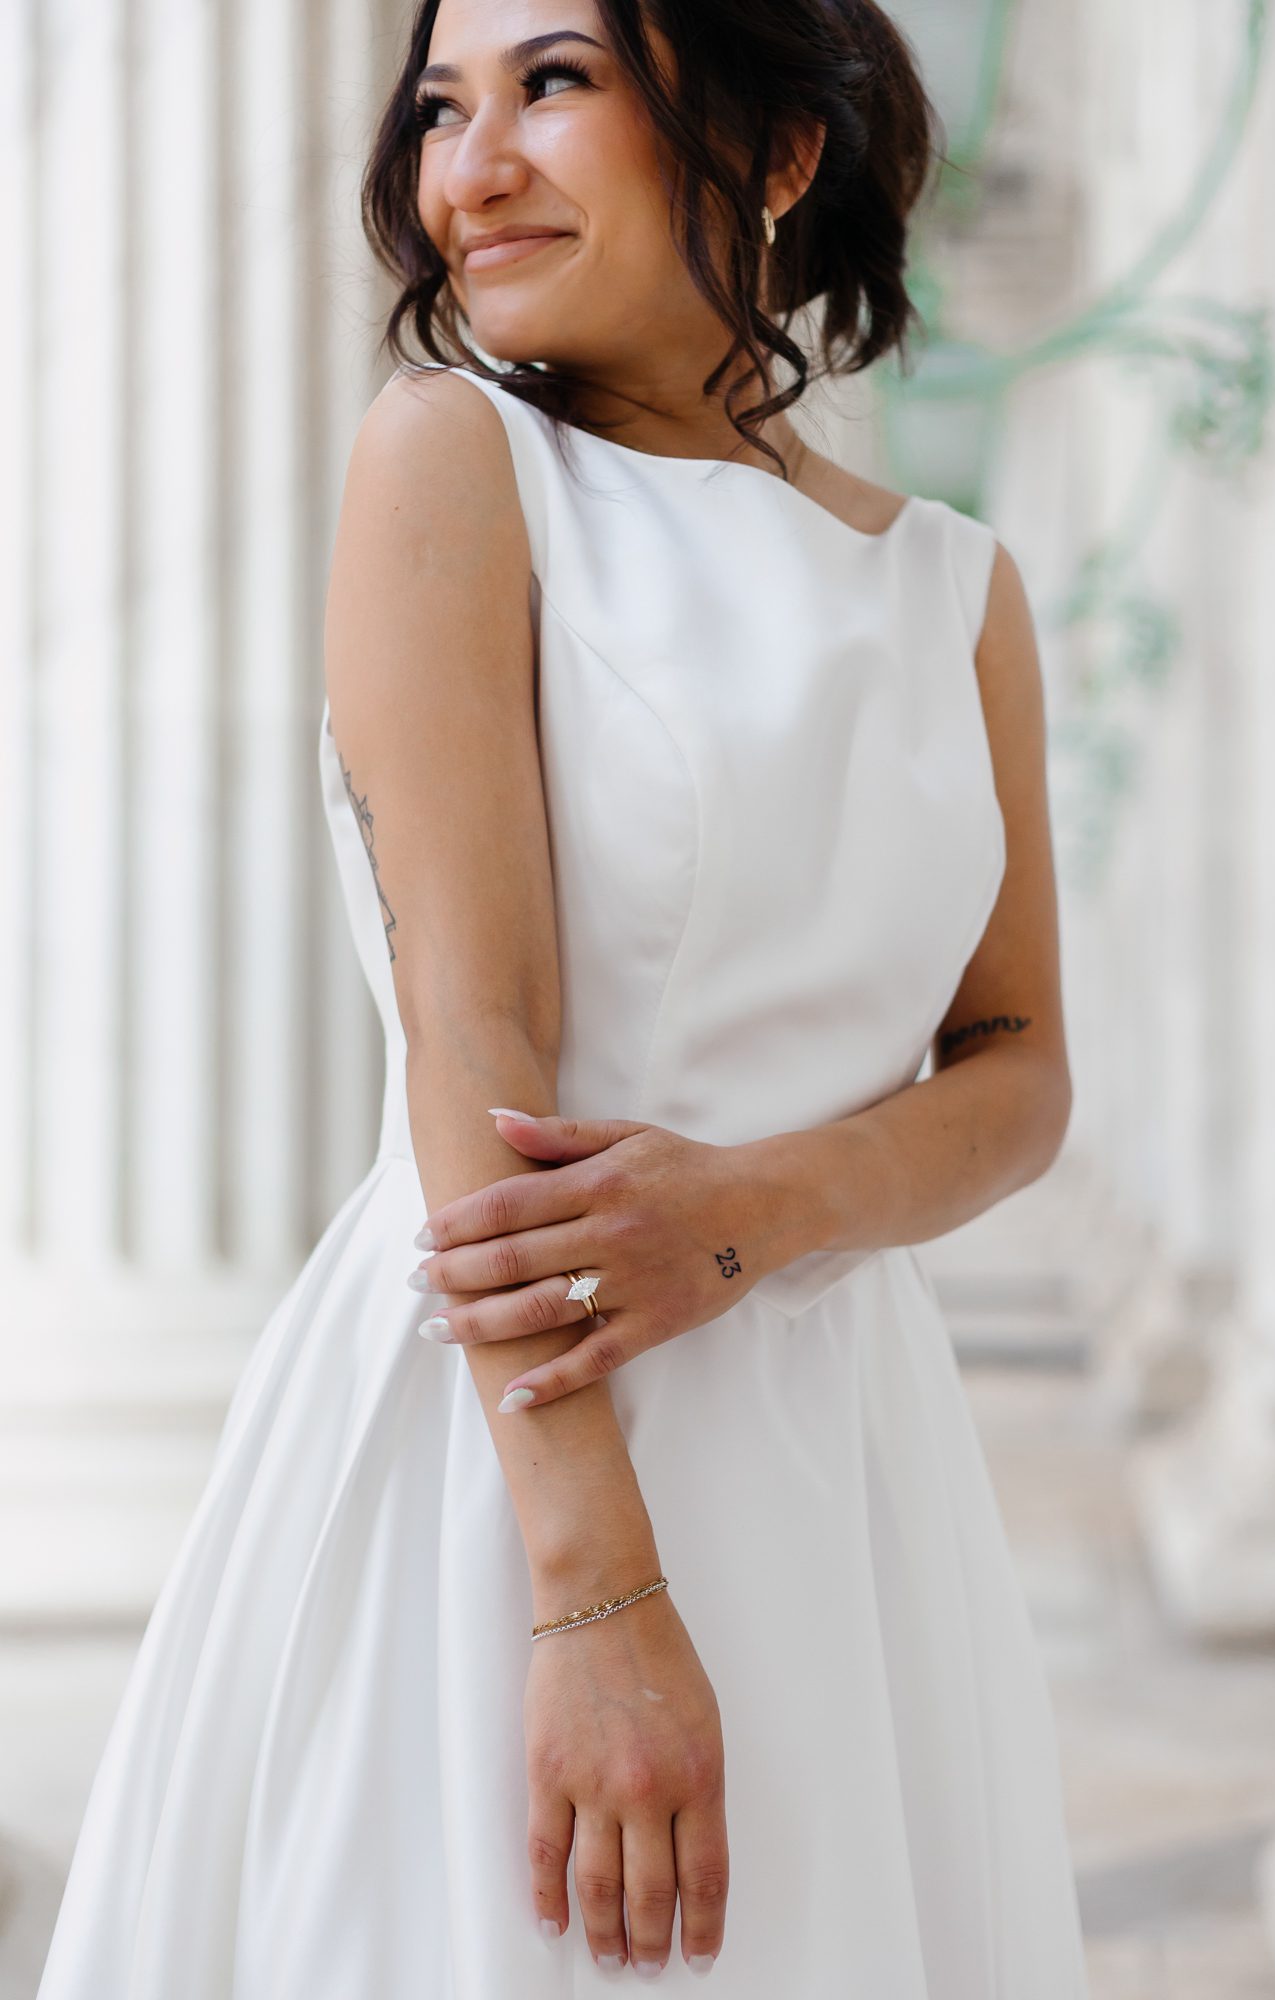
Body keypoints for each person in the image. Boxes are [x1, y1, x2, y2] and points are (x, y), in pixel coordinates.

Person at [36, 0, 1091, 1992]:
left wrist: (755, 1213)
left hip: (842, 1448)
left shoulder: (953, 588)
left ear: (778, 150)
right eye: (441, 105)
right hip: (515, 1442)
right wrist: (594, 1600)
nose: (470, 164)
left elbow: (1018, 1066)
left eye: (555, 83)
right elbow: (479, 1036)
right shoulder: (455, 461)